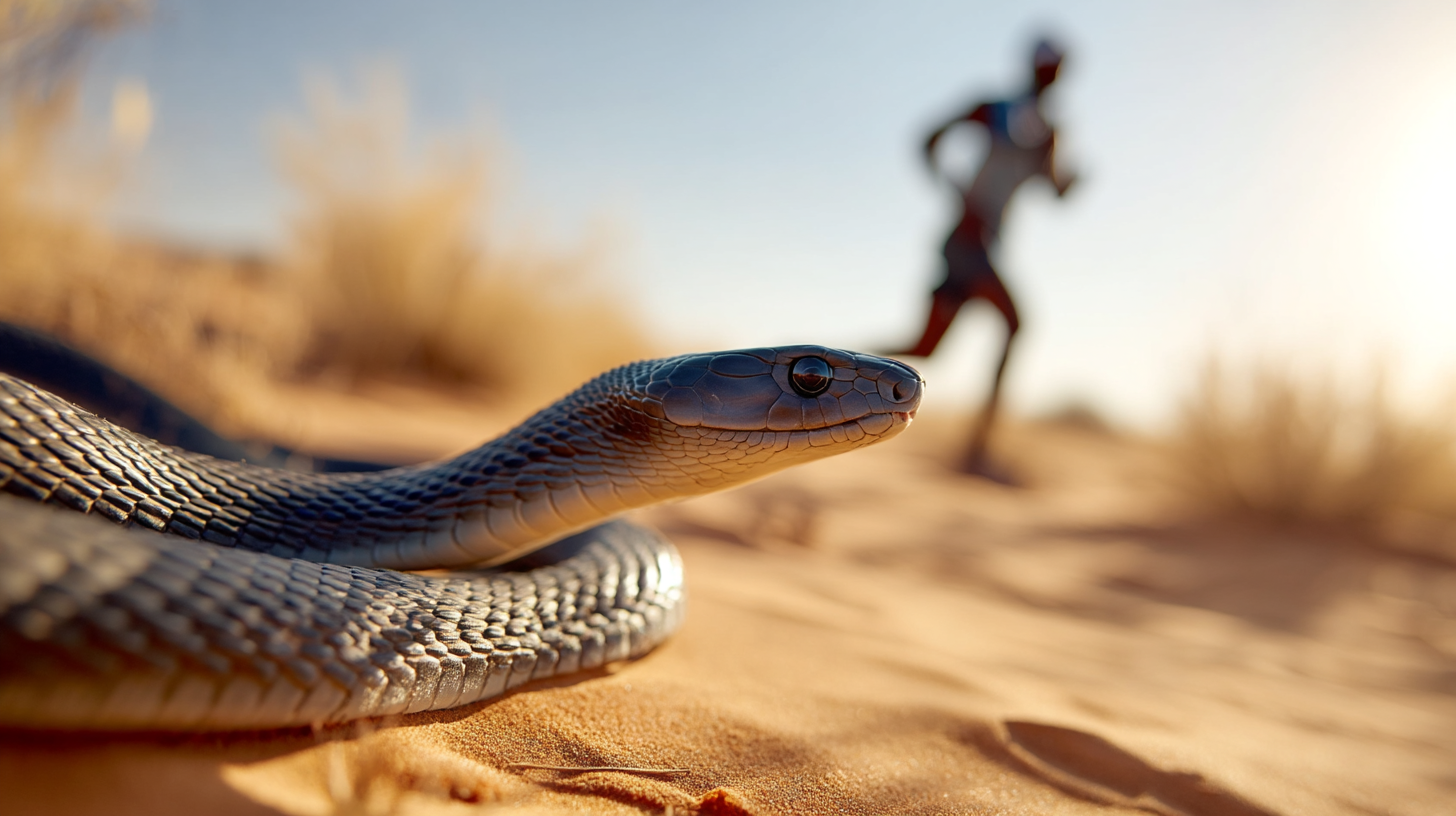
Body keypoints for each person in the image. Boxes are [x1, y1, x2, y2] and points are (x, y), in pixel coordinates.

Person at [891, 38, 1078, 477]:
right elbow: (929, 140)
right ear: (1033, 68)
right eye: (1045, 68)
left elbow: (1054, 189)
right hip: (965, 243)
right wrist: (960, 195)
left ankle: (827, 365)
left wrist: (1073, 181)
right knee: (1015, 323)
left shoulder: (1047, 136)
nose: (1048, 77)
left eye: (1054, 71)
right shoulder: (994, 110)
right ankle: (976, 452)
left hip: (983, 244)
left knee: (925, 348)